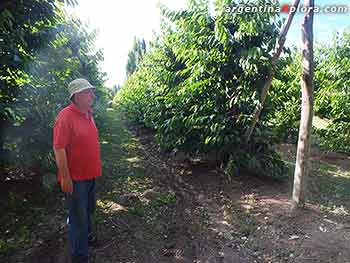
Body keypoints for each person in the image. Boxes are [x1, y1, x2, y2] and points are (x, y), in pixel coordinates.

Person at [53, 78, 102, 263]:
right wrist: (65, 177)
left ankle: (87, 238)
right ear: (76, 96)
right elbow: (58, 148)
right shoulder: (65, 117)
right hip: (76, 178)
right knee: (78, 217)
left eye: (91, 91)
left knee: (88, 210)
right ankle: (79, 256)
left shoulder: (88, 113)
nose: (92, 95)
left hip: (90, 174)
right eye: (87, 92)